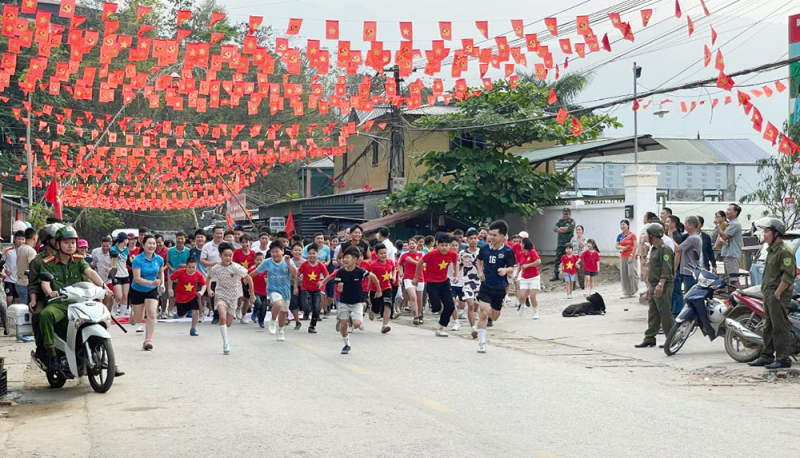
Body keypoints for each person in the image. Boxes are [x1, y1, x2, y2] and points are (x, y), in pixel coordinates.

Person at [39, 226, 113, 371]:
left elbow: (90, 273)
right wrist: (50, 293)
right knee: (45, 315)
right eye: (66, 242)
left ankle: (105, 356)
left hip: (80, 301)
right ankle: (52, 354)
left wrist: (105, 287)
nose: (70, 245)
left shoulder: (79, 260)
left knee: (100, 317)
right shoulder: (48, 262)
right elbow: (45, 283)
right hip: (60, 302)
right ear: (57, 244)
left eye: (73, 242)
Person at [748, 218, 796, 369]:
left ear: (776, 233)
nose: (765, 234)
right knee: (768, 325)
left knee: (779, 327)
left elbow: (788, 276)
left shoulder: (784, 252)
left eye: (767, 231)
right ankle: (766, 356)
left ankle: (783, 358)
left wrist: (777, 294)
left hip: (778, 295)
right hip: (769, 294)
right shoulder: (770, 250)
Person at [320, 246, 381, 354]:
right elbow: (336, 283)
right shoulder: (340, 272)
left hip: (357, 302)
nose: (346, 260)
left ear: (355, 260)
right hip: (344, 302)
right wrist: (336, 286)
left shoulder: (360, 271)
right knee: (344, 325)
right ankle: (347, 345)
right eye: (344, 257)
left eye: (348, 257)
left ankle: (352, 316)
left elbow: (373, 277)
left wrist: (379, 290)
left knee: (357, 324)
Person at [475, 220, 516, 353]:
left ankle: (488, 318)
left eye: (494, 235)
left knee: (495, 315)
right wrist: (480, 271)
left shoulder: (508, 251)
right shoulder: (484, 248)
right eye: (489, 234)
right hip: (486, 285)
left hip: (499, 287)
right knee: (484, 312)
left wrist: (505, 271)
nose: (491, 238)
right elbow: (479, 260)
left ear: (503, 236)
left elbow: (512, 268)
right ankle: (481, 342)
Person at [208, 243, 253, 354]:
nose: (228, 258)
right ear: (220, 255)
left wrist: (252, 294)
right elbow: (208, 278)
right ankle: (225, 343)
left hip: (233, 296)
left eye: (230, 255)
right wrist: (209, 289)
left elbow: (249, 278)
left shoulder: (236, 267)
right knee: (222, 317)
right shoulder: (216, 268)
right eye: (225, 255)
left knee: (228, 323)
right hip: (221, 294)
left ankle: (226, 332)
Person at [27, 223, 64, 359]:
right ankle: (42, 349)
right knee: (38, 315)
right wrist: (33, 300)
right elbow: (33, 284)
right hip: (46, 297)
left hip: (69, 295)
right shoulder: (38, 262)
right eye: (57, 239)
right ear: (48, 241)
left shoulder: (68, 256)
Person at [635, 224, 675, 349]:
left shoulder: (664, 249)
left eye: (647, 234)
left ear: (653, 235)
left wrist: (660, 284)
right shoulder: (653, 248)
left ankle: (672, 339)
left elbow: (666, 269)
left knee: (665, 313)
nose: (645, 236)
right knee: (653, 312)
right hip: (654, 285)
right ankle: (649, 338)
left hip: (663, 286)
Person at [413, 233, 458, 337]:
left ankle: (440, 327)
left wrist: (456, 275)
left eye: (446, 245)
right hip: (432, 283)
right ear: (437, 244)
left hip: (444, 282)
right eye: (442, 245)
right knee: (436, 307)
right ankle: (435, 303)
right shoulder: (431, 254)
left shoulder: (452, 254)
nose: (444, 248)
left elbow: (456, 263)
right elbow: (419, 263)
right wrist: (416, 277)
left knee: (450, 306)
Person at [252, 241, 298, 342]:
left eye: (277, 252)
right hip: (272, 289)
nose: (275, 254)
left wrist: (288, 263)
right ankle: (272, 321)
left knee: (283, 312)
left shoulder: (288, 261)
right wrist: (245, 278)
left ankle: (280, 330)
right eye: (272, 252)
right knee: (278, 303)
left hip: (285, 290)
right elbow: (255, 272)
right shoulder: (267, 262)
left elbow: (295, 274)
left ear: (282, 251)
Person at [131, 235, 166, 350]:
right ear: (143, 245)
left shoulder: (159, 259)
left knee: (151, 313)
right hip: (137, 290)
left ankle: (148, 340)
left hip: (151, 291)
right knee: (138, 318)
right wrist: (152, 283)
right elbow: (137, 278)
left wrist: (162, 284)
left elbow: (161, 272)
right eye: (149, 243)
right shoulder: (137, 260)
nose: (152, 246)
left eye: (154, 244)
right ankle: (133, 316)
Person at [168, 258, 207, 336]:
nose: (191, 269)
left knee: (196, 311)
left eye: (193, 267)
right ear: (186, 266)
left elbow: (204, 284)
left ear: (196, 267)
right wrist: (170, 289)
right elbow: (171, 278)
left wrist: (201, 292)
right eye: (189, 267)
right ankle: (179, 310)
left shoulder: (198, 274)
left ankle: (193, 328)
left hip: (192, 296)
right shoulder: (180, 272)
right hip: (181, 298)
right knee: (181, 315)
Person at [673, 216, 702, 316]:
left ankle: (691, 315)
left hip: (690, 271)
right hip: (689, 270)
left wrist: (670, 237)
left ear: (692, 225)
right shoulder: (693, 237)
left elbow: (678, 249)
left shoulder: (693, 238)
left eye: (686, 223)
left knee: (689, 295)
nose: (684, 225)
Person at [297, 245, 329, 334]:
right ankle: (306, 313)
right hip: (305, 288)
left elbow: (327, 276)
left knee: (317, 308)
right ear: (307, 255)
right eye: (310, 254)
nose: (312, 255)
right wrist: (296, 285)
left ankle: (312, 325)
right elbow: (297, 274)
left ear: (317, 254)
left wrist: (322, 283)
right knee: (306, 307)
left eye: (313, 253)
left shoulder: (320, 265)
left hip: (316, 289)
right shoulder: (304, 264)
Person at [456, 229, 481, 335]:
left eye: (475, 238)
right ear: (467, 240)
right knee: (470, 304)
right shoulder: (462, 253)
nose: (473, 240)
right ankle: (473, 328)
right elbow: (459, 264)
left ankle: (477, 320)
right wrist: (456, 275)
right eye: (471, 238)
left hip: (480, 282)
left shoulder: (482, 251)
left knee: (476, 306)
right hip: (467, 281)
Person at [369, 243, 395, 334]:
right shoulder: (373, 265)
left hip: (387, 287)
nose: (383, 255)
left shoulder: (390, 262)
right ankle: (372, 309)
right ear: (376, 255)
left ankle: (385, 325)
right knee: (376, 309)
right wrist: (367, 288)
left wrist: (394, 276)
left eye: (385, 253)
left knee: (387, 304)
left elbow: (393, 269)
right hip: (375, 289)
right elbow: (369, 277)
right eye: (381, 253)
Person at [201, 226, 225, 324]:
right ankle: (216, 315)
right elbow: (202, 260)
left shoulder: (227, 245)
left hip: (225, 275)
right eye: (217, 233)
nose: (219, 235)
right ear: (213, 234)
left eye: (221, 233)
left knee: (224, 296)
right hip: (212, 276)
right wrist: (213, 264)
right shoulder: (207, 246)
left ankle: (224, 314)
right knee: (214, 296)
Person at [716, 203, 743, 287]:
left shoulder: (735, 224)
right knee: (729, 280)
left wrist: (717, 226)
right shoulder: (731, 224)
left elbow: (725, 236)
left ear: (735, 212)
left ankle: (740, 296)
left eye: (729, 210)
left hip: (732, 255)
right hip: (729, 254)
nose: (726, 212)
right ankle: (733, 296)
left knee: (734, 280)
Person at [399, 238, 425, 325]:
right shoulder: (404, 255)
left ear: (417, 245)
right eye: (410, 244)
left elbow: (423, 265)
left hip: (420, 278)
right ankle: (415, 316)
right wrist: (401, 272)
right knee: (413, 297)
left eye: (413, 243)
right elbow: (399, 264)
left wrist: (413, 261)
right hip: (408, 278)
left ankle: (420, 314)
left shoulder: (421, 254)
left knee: (419, 299)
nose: (411, 245)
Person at [167, 232, 192, 318]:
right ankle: (170, 310)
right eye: (178, 238)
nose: (180, 240)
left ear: (185, 240)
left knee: (184, 294)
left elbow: (191, 263)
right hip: (173, 276)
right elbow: (167, 262)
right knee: (173, 295)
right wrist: (171, 268)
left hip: (185, 276)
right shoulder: (170, 251)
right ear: (176, 239)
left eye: (182, 239)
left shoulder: (188, 251)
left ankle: (182, 311)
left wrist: (185, 265)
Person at [233, 234, 256, 323]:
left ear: (250, 242)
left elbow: (255, 265)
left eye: (246, 242)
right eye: (243, 242)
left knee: (247, 298)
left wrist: (249, 273)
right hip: (238, 277)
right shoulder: (237, 252)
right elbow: (233, 264)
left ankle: (243, 315)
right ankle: (238, 307)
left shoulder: (253, 253)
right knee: (239, 295)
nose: (245, 244)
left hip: (249, 278)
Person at [516, 238, 542, 319]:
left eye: (521, 243)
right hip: (524, 277)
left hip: (534, 277)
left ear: (525, 244)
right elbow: (520, 265)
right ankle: (523, 306)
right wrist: (517, 274)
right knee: (522, 295)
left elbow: (538, 261)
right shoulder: (521, 253)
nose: (520, 245)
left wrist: (528, 265)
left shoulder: (532, 252)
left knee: (532, 295)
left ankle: (535, 311)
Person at [109, 232, 132, 316]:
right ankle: (114, 308)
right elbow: (112, 254)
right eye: (127, 239)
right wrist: (117, 254)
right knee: (119, 296)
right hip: (116, 274)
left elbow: (129, 262)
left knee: (125, 296)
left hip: (125, 274)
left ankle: (122, 315)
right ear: (123, 240)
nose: (128, 241)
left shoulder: (126, 250)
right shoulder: (113, 249)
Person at [616, 219, 638, 299]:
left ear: (628, 225)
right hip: (623, 256)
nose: (622, 226)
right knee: (624, 274)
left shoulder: (632, 235)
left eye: (624, 224)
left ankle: (633, 290)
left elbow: (636, 245)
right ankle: (626, 292)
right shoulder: (620, 236)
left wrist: (632, 254)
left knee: (631, 273)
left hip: (631, 256)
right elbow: (616, 245)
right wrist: (622, 247)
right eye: (621, 224)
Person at [91, 236, 114, 310]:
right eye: (103, 246)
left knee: (109, 296)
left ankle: (108, 311)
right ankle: (101, 309)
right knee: (99, 296)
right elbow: (92, 262)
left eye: (107, 246)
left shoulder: (113, 254)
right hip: (98, 277)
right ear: (101, 244)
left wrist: (111, 269)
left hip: (108, 278)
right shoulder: (95, 252)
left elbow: (117, 266)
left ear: (110, 245)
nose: (105, 248)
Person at [552, 208, 575, 281]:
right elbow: (555, 229)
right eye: (564, 214)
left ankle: (566, 276)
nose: (565, 215)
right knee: (557, 260)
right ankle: (556, 275)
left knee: (567, 260)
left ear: (569, 214)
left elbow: (569, 229)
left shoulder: (572, 221)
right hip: (560, 244)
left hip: (568, 245)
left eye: (566, 214)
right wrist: (563, 229)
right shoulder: (560, 221)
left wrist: (561, 229)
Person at [16, 228, 38, 306]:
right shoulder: (31, 251)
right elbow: (33, 268)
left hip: (19, 282)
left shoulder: (20, 248)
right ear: (34, 237)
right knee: (26, 310)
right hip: (26, 284)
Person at [287, 242, 305, 330]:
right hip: (290, 284)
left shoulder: (305, 262)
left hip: (303, 285)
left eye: (299, 250)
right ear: (291, 252)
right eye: (295, 250)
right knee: (293, 303)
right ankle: (297, 321)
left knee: (303, 303)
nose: (297, 252)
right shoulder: (288, 261)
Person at [3, 231, 23, 306]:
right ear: (15, 239)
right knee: (9, 299)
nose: (21, 241)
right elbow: (2, 262)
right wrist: (5, 270)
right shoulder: (8, 251)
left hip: (19, 280)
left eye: (22, 239)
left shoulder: (25, 251)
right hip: (9, 279)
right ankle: (6, 314)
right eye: (19, 239)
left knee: (18, 300)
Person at [250, 252, 268, 327]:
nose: (259, 262)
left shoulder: (267, 270)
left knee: (264, 308)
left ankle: (261, 321)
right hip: (255, 290)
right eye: (257, 260)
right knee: (258, 303)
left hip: (264, 291)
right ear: (254, 261)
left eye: (261, 260)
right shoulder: (252, 269)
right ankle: (255, 311)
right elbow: (247, 277)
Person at [571, 225, 587, 290]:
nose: (578, 231)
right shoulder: (573, 239)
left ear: (582, 231)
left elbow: (582, 245)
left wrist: (579, 238)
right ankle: (573, 286)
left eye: (579, 230)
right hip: (573, 256)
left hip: (580, 257)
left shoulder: (584, 239)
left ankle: (582, 285)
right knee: (572, 271)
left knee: (581, 271)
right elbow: (570, 247)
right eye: (577, 230)